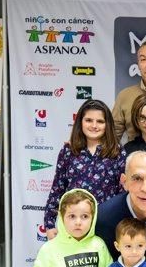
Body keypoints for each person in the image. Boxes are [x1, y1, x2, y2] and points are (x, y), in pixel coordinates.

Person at [44, 99, 126, 240]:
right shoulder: (68, 150)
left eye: (100, 121)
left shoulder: (118, 153)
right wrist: (49, 223)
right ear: (80, 122)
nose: (94, 125)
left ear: (107, 125)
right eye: (89, 120)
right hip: (74, 224)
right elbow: (58, 188)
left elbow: (122, 193)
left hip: (106, 225)